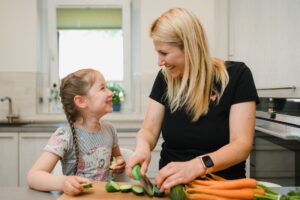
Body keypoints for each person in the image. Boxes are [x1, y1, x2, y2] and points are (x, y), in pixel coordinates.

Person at [126, 7, 259, 192]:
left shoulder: (237, 76)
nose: (159, 62)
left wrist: (197, 166)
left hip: (221, 190)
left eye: (164, 53)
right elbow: (148, 130)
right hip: (173, 190)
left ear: (190, 47)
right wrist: (142, 148)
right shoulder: (164, 79)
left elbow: (241, 145)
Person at [27, 68, 125, 196]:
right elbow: (33, 177)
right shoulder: (65, 136)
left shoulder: (110, 130)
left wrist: (119, 161)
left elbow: (117, 156)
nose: (110, 93)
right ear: (81, 101)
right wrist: (63, 182)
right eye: (102, 88)